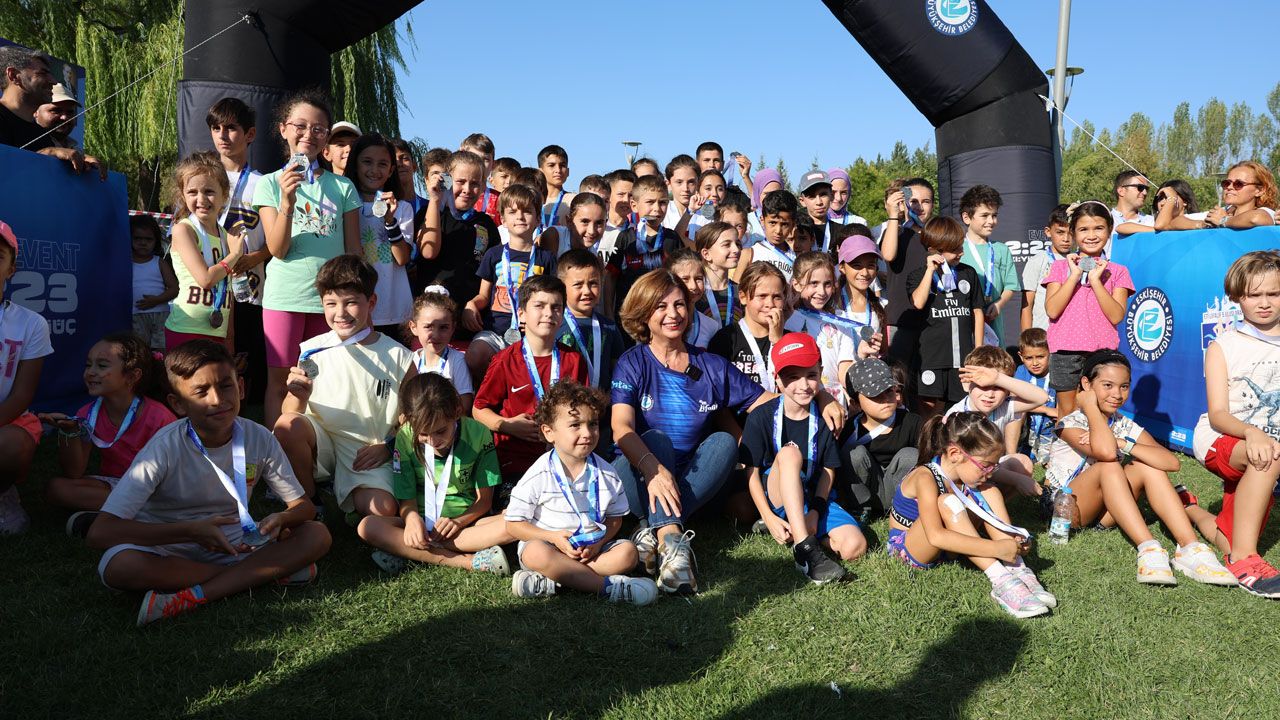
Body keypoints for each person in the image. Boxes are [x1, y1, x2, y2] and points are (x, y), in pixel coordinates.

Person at [85, 340, 331, 627]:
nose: (217, 399)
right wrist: (189, 531)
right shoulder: (163, 448)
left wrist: (282, 518)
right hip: (170, 548)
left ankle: (198, 593)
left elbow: (303, 507)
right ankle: (262, 574)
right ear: (177, 404)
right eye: (201, 392)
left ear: (241, 387)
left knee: (317, 534)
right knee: (119, 566)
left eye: (225, 386)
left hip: (238, 546)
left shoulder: (259, 437)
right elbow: (100, 532)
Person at [610, 270, 764, 594]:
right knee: (656, 439)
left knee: (724, 443)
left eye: (679, 304)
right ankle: (672, 540)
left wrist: (819, 398)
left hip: (694, 480)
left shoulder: (710, 364)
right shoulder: (631, 362)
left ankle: (653, 533)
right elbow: (620, 428)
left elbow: (764, 401)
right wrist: (653, 469)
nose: (673, 314)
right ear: (643, 312)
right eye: (661, 306)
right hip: (638, 474)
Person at [1041, 351, 1234, 587]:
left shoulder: (1122, 423)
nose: (1117, 394)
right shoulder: (1070, 422)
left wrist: (1124, 443)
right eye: (1107, 385)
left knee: (1148, 465)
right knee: (1109, 467)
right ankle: (1149, 548)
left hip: (1104, 510)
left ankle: (1190, 548)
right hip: (1064, 510)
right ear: (1086, 384)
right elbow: (1106, 453)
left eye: (1124, 386)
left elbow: (1171, 463)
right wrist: (1090, 407)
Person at [273, 255, 414, 520]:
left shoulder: (400, 357)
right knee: (287, 425)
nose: (340, 313)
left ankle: (349, 496)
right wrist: (298, 396)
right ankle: (310, 501)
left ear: (371, 302)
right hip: (322, 442)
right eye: (331, 304)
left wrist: (388, 446)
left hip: (367, 452)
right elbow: (289, 412)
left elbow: (411, 418)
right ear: (322, 304)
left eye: (351, 302)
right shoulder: (312, 350)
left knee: (383, 509)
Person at [252, 90, 362, 431]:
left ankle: (313, 448)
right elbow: (277, 249)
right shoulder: (269, 184)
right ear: (283, 129)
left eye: (318, 129)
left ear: (326, 137)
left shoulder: (343, 187)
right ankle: (275, 451)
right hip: (285, 296)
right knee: (281, 380)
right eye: (300, 126)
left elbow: (354, 252)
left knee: (322, 378)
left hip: (330, 300)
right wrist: (287, 200)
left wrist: (356, 298)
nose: (308, 135)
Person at [888, 412, 1054, 619]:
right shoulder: (925, 476)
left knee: (989, 490)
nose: (991, 472)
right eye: (986, 465)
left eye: (995, 465)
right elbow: (935, 537)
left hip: (950, 547)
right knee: (947, 501)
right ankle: (1000, 580)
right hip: (912, 548)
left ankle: (1016, 566)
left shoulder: (966, 474)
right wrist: (996, 549)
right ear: (955, 454)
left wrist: (1014, 541)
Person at [505, 381, 657, 604]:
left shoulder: (608, 473)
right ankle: (607, 588)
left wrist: (599, 543)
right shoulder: (538, 474)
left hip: (592, 551)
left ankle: (554, 580)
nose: (587, 433)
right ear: (549, 432)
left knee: (628, 553)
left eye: (592, 424)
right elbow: (513, 525)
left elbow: (615, 519)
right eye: (575, 425)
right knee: (535, 553)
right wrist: (552, 538)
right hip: (550, 548)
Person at [356, 372, 511, 576]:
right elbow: (407, 499)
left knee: (513, 522)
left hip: (465, 525)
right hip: (421, 522)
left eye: (440, 431)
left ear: (456, 412)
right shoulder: (405, 436)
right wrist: (411, 520)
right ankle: (470, 561)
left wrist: (458, 521)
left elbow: (484, 502)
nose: (432, 441)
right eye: (423, 434)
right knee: (367, 526)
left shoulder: (479, 434)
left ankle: (410, 551)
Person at [1189, 251, 1280, 597]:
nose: (1264, 303)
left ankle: (1188, 507)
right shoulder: (1224, 346)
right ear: (1237, 297)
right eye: (1254, 295)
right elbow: (1218, 414)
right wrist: (1252, 433)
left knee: (1226, 535)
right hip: (1220, 439)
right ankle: (1244, 561)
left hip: (1264, 449)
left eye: (1273, 293)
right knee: (1268, 455)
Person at [742, 333, 867, 583]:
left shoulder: (825, 416)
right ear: (777, 380)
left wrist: (816, 512)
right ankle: (806, 551)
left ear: (820, 373)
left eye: (811, 375)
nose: (804, 385)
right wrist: (769, 516)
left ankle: (802, 532)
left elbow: (829, 470)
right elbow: (751, 473)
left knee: (855, 547)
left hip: (812, 497)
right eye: (793, 377)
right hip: (777, 496)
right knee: (789, 452)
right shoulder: (761, 416)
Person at [42, 333, 176, 528]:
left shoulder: (159, 417)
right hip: (114, 484)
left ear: (132, 376)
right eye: (88, 365)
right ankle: (131, 515)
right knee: (56, 488)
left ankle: (110, 517)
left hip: (153, 489)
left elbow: (174, 475)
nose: (91, 372)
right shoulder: (87, 413)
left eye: (102, 366)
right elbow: (74, 471)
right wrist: (69, 432)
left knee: (165, 499)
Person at [472, 274, 587, 487]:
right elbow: (478, 410)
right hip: (514, 465)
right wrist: (508, 426)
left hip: (563, 463)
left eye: (556, 307)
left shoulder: (574, 360)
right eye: (539, 306)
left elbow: (584, 412)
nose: (548, 313)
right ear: (521, 314)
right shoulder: (505, 360)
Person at [1043, 201, 1133, 419]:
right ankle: (1067, 443)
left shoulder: (1118, 271)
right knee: (1067, 413)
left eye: (1098, 228)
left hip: (1102, 353)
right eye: (1083, 229)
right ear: (1073, 233)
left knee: (1099, 413)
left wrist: (1096, 281)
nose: (1091, 235)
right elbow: (1052, 310)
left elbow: (1116, 315)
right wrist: (1074, 275)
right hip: (1065, 351)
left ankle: (1099, 443)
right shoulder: (1060, 267)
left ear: (1109, 230)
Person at [207, 97, 271, 401]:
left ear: (250, 134)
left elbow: (277, 240)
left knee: (246, 358)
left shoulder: (264, 183)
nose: (223, 135)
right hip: (209, 283)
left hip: (250, 285)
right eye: (216, 128)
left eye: (231, 128)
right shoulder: (202, 178)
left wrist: (254, 257)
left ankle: (249, 411)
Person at [464, 183, 559, 382]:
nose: (520, 217)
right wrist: (471, 304)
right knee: (475, 355)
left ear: (538, 219)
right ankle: (487, 394)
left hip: (533, 334)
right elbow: (483, 295)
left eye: (527, 211)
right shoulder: (494, 254)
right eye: (513, 212)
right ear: (503, 220)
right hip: (495, 332)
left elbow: (553, 300)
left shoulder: (546, 258)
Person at [0, 219, 52, 535]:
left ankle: (3, 494)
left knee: (11, 445)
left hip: (6, 421)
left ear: (11, 270)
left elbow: (22, 395)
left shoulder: (31, 324)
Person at [943, 346, 1048, 498]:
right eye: (983, 386)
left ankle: (993, 506)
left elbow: (1041, 398)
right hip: (960, 477)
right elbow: (969, 466)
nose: (990, 394)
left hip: (986, 471)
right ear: (966, 384)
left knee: (1022, 463)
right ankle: (978, 507)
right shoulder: (957, 416)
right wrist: (1016, 479)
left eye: (998, 387)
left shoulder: (1002, 407)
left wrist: (999, 378)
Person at [164, 152, 244, 352]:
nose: (201, 199)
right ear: (182, 195)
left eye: (209, 191)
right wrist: (234, 256)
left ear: (224, 194)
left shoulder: (226, 235)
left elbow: (227, 288)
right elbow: (206, 279)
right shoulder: (183, 230)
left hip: (218, 331)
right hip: (186, 329)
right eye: (192, 192)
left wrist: (230, 336)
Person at [907, 217, 985, 418]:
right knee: (930, 410)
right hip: (932, 359)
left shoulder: (968, 273)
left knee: (961, 409)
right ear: (934, 250)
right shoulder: (918, 276)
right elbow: (918, 303)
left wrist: (978, 350)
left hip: (963, 359)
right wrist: (930, 271)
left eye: (961, 247)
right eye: (955, 249)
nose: (961, 253)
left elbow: (977, 312)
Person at [343, 132, 414, 340]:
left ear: (391, 170)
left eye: (382, 164)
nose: (374, 170)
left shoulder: (403, 208)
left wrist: (390, 220)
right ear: (355, 164)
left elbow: (402, 258)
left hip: (394, 309)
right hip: (355, 308)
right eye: (367, 162)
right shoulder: (344, 204)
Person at [839, 357, 921, 519]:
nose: (885, 399)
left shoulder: (912, 422)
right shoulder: (849, 429)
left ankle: (903, 509)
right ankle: (861, 509)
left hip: (900, 493)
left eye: (889, 390)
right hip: (865, 495)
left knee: (911, 455)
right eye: (875, 394)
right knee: (854, 454)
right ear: (855, 402)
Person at [414, 149, 501, 301]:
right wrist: (435, 200)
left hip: (470, 309)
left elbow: (491, 270)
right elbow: (428, 252)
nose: (467, 190)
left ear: (482, 186)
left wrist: (477, 303)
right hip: (434, 307)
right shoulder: (430, 213)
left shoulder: (486, 223)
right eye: (460, 182)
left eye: (474, 183)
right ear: (446, 181)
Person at [0, 46, 102, 174]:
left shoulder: (42, 135)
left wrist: (82, 163)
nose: (54, 81)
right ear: (14, 75)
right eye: (42, 73)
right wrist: (46, 153)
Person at [785, 251, 863, 409]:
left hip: (836, 402)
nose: (821, 292)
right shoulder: (789, 319)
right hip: (802, 399)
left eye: (827, 284)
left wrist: (856, 392)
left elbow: (844, 367)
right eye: (813, 283)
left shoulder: (840, 321)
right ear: (796, 284)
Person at [557, 248, 625, 404]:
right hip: (563, 407)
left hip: (601, 408)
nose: (587, 291)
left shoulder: (609, 327)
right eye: (578, 285)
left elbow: (619, 372)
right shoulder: (554, 325)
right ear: (562, 287)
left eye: (593, 283)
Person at [880, 177, 935, 369]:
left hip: (933, 322)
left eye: (926, 201)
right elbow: (888, 254)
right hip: (901, 321)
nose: (919, 206)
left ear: (933, 205)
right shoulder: (896, 233)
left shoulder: (938, 236)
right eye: (914, 201)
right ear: (904, 203)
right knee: (899, 377)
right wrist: (893, 215)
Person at [709, 262, 789, 390]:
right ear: (742, 297)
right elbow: (716, 390)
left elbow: (794, 390)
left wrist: (778, 343)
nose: (770, 304)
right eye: (762, 296)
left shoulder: (792, 340)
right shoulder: (725, 339)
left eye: (777, 297)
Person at [958, 185, 1018, 346]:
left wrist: (998, 304)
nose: (991, 221)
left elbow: (1011, 285)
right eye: (985, 215)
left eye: (994, 215)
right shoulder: (956, 249)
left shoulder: (1001, 249)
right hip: (965, 320)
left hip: (993, 320)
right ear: (967, 217)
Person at [607, 174, 681, 302]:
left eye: (662, 202)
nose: (657, 208)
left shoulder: (672, 238)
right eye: (650, 202)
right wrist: (608, 309)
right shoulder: (625, 238)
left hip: (663, 309)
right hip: (630, 310)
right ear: (634, 205)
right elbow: (611, 277)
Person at [405, 289, 473, 409]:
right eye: (428, 327)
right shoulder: (409, 361)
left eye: (443, 327)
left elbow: (465, 404)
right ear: (414, 327)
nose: (436, 335)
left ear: (453, 328)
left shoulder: (457, 360)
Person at [1019, 204, 1072, 333]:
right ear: (1048, 232)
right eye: (1060, 232)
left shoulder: (1080, 261)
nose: (1066, 239)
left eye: (1071, 233)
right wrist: (1027, 339)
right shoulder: (1037, 261)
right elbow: (1027, 306)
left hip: (1071, 335)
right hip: (1043, 334)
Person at [129, 215, 178, 352]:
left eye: (148, 239)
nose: (143, 243)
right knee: (139, 352)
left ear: (156, 241)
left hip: (160, 315)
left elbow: (174, 288)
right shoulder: (124, 263)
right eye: (137, 238)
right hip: (134, 316)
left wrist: (157, 300)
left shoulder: (159, 262)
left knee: (160, 352)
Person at [1008, 328, 1057, 464]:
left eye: (1040, 357)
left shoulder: (1056, 372)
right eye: (1029, 358)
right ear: (1020, 356)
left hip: (1050, 432)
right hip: (1026, 432)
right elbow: (1016, 402)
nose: (1035, 363)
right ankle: (1012, 453)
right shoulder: (1021, 371)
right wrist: (1046, 409)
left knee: (1048, 462)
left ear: (1050, 353)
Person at [834, 234, 887, 350]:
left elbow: (884, 351)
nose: (864, 273)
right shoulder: (831, 305)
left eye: (870, 266)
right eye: (857, 266)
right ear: (842, 267)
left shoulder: (883, 305)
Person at [737, 190, 802, 279]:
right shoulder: (749, 254)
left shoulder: (797, 259)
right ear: (762, 221)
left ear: (793, 224)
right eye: (772, 223)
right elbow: (735, 287)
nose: (778, 231)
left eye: (784, 224)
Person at [666, 248, 717, 350]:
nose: (693, 286)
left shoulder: (711, 326)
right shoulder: (658, 322)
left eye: (698, 279)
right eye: (685, 279)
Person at [1204, 161, 1278, 229]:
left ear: (1259, 191)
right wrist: (1204, 224)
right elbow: (1196, 218)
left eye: (1238, 184)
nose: (1229, 187)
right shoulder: (1222, 211)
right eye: (1226, 183)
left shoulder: (1269, 214)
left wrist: (1223, 220)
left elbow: (1256, 218)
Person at [695, 221, 742, 327]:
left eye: (737, 244)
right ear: (706, 254)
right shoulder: (695, 292)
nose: (736, 249)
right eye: (727, 244)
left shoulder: (741, 292)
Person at [796, 170, 852, 256]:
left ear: (831, 196)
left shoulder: (842, 232)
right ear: (802, 201)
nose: (819, 202)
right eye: (812, 196)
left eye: (823, 195)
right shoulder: (795, 231)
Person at [460, 133, 501, 225]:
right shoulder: (453, 196)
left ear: (493, 165)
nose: (480, 164)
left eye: (485, 159)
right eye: (473, 157)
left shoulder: (501, 200)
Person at [33, 82, 80, 149]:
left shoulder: (76, 150)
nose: (64, 117)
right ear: (35, 112)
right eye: (56, 111)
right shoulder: (23, 142)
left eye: (70, 112)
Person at [389, 137, 428, 216]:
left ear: (414, 166)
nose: (399, 164)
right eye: (393, 161)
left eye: (404, 158)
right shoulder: (384, 208)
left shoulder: (429, 207)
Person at [536, 144, 573, 228]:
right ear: (540, 171)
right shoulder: (531, 200)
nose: (558, 170)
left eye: (562, 165)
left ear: (568, 171)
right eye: (551, 165)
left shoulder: (574, 200)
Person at [1110, 170, 1154, 236]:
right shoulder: (1103, 219)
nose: (1145, 193)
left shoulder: (1152, 222)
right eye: (1140, 187)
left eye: (1147, 189)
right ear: (1121, 191)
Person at [663, 154, 699, 230]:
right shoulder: (662, 212)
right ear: (668, 184)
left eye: (691, 182)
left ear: (698, 183)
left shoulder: (706, 214)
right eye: (679, 182)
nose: (685, 188)